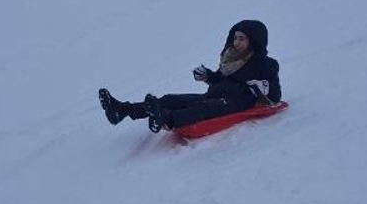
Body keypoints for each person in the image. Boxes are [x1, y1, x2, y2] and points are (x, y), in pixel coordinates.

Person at [98, 20, 282, 133]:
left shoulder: (266, 64)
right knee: (171, 99)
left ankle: (165, 118)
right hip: (215, 96)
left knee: (203, 108)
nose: (237, 42)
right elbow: (221, 79)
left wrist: (263, 87)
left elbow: (275, 95)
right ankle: (121, 111)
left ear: (254, 41)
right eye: (235, 38)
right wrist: (208, 76)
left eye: (242, 39)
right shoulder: (231, 59)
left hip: (237, 103)